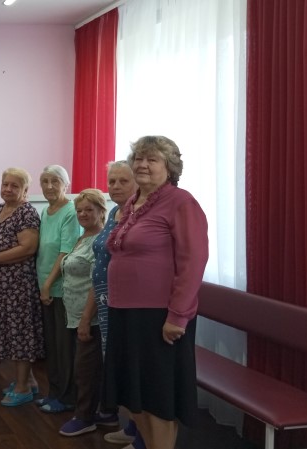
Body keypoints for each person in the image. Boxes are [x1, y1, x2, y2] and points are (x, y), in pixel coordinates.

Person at [104, 136, 209, 449]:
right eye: (138, 158)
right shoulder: (133, 203)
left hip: (159, 316)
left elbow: (193, 262)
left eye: (152, 159)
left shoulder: (181, 202)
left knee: (157, 398)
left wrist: (178, 316)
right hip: (124, 311)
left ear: (169, 166)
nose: (142, 165)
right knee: (134, 397)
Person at [0, 167, 44, 406]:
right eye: (5, 184)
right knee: (10, 332)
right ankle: (29, 381)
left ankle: (22, 388)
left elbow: (28, 248)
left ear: (25, 190)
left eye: (14, 186)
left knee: (20, 335)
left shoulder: (26, 212)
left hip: (18, 285)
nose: (8, 189)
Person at [95, 161, 145, 449]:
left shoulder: (139, 214)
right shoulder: (115, 212)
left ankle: (142, 437)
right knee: (117, 366)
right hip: (107, 300)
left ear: (137, 183)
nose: (114, 186)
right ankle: (132, 427)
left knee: (132, 369)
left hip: (128, 302)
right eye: (111, 181)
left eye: (122, 181)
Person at [57, 189, 108, 436]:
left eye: (89, 209)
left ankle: (85, 417)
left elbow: (97, 283)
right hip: (74, 313)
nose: (83, 214)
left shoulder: (100, 241)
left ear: (101, 211)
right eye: (79, 210)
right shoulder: (82, 237)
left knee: (85, 370)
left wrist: (87, 318)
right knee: (85, 367)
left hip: (90, 317)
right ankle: (101, 412)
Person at [36, 165, 81, 413]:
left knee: (64, 348)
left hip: (61, 289)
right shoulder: (46, 211)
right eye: (45, 181)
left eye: (55, 181)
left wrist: (47, 285)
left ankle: (67, 398)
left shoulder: (71, 211)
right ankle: (53, 392)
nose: (50, 186)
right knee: (52, 346)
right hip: (46, 289)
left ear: (67, 184)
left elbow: (65, 252)